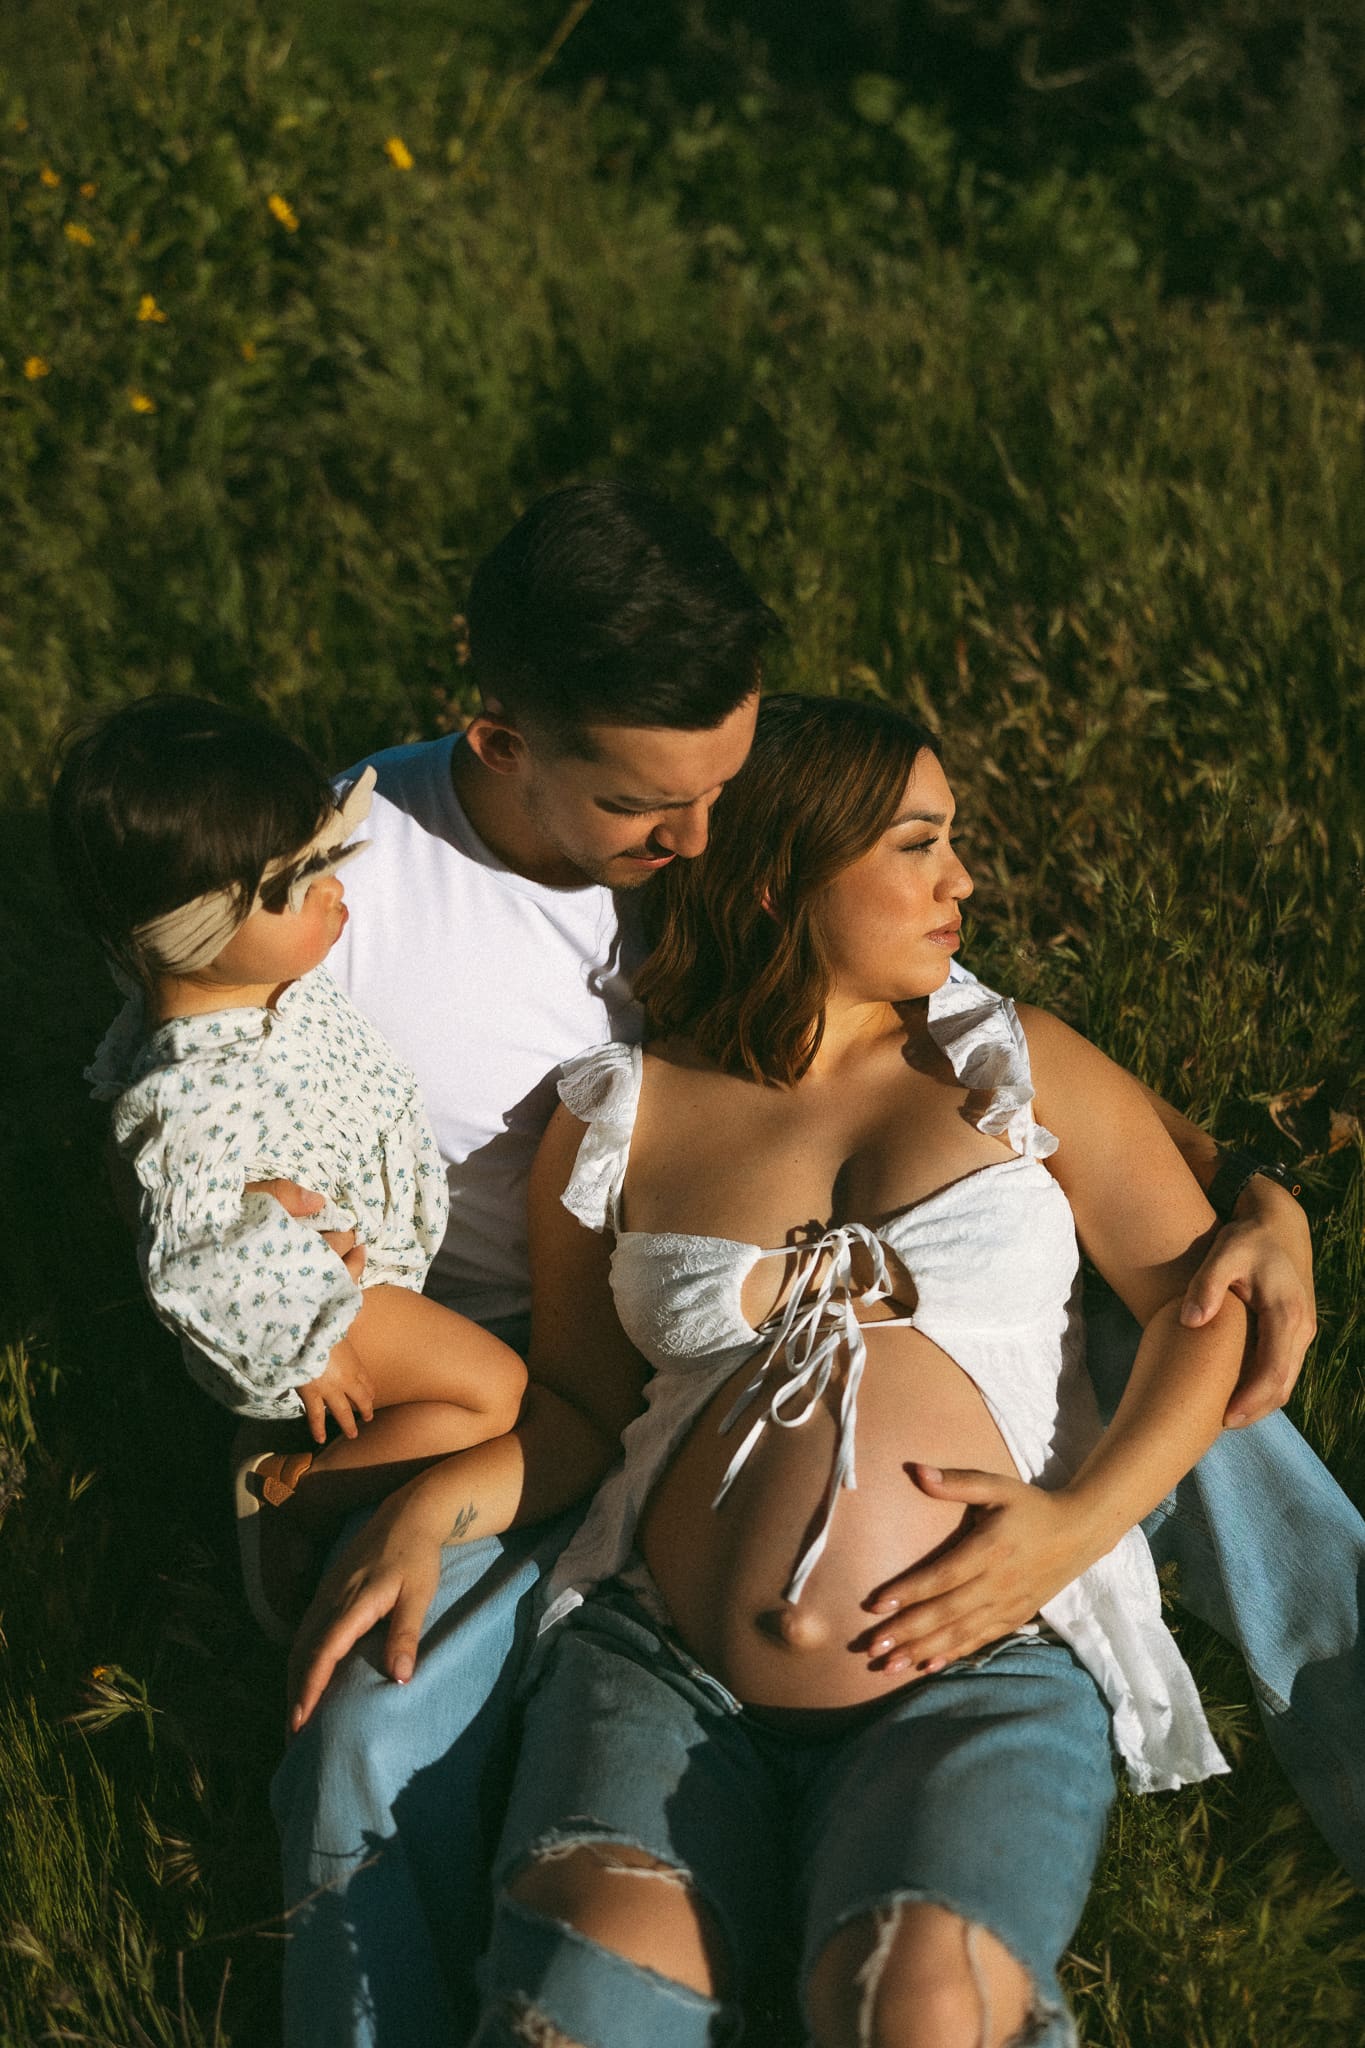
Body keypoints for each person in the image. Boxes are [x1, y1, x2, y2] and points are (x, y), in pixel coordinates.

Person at [271, 482, 1359, 2048]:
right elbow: (567, 1401)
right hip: (609, 1538)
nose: (696, 842)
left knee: (916, 2003)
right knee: (471, 1866)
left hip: (970, 1607)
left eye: (727, 787)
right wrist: (385, 1472)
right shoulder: (435, 970)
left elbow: (1152, 1224)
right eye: (917, 845)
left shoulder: (940, 1018)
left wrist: (1251, 1219)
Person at [50, 698, 527, 1637]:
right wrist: (309, 1339)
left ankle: (318, 1461)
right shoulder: (193, 1090)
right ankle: (291, 1488)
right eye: (299, 883)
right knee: (494, 1392)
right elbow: (189, 1253)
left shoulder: (256, 984)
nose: (337, 892)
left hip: (342, 1280)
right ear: (194, 934)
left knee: (483, 1389)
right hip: (310, 1307)